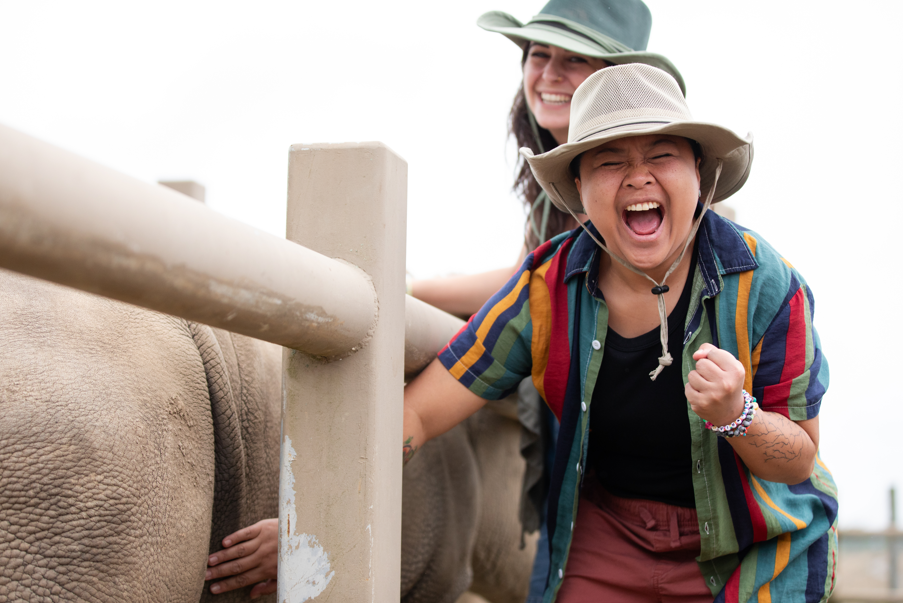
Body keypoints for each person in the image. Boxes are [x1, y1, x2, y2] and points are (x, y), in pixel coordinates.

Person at [205, 1, 689, 598]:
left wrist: (400, 288)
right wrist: (404, 289)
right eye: (539, 56)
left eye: (574, 60)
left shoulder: (712, 261)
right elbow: (526, 282)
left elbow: (526, 289)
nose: (549, 74)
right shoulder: (551, 233)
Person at [403, 63, 837, 602]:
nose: (638, 177)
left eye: (662, 155)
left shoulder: (766, 284)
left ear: (699, 173)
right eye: (610, 162)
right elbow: (418, 412)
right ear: (579, 190)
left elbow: (799, 459)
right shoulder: (546, 288)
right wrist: (322, 517)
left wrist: (737, 416)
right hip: (611, 534)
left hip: (756, 545)